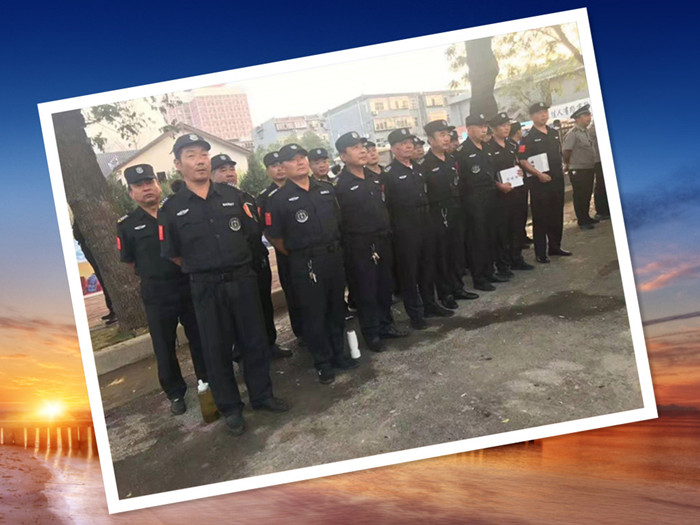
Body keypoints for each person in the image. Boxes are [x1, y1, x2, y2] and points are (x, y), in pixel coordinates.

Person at [159, 133, 288, 436]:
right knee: (216, 349)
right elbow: (174, 254)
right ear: (178, 164)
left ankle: (262, 395)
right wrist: (205, 266)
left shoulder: (233, 196)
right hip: (206, 286)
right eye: (191, 155)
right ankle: (230, 407)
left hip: (242, 280)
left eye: (203, 154)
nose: (200, 161)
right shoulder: (172, 208)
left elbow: (250, 234)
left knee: (253, 341)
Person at [116, 164, 209, 416]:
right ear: (131, 193)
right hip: (156, 292)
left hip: (187, 284)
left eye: (150, 182)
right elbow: (130, 261)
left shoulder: (176, 212)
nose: (146, 188)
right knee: (163, 345)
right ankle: (175, 392)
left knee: (199, 336)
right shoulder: (127, 225)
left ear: (158, 185)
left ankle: (206, 379)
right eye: (139, 185)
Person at [264, 143, 356, 385]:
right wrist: (300, 253)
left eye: (302, 157)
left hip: (332, 257)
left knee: (336, 308)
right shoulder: (278, 199)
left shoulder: (326, 190)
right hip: (305, 262)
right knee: (314, 314)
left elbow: (338, 221)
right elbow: (274, 236)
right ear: (283, 166)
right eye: (293, 159)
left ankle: (339, 354)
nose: (300, 162)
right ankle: (322, 363)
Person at [211, 153, 292, 359]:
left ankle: (269, 343)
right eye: (222, 170)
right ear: (211, 176)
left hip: (257, 260)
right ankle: (243, 351)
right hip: (236, 266)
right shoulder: (211, 202)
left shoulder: (245, 197)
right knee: (241, 312)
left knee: (264, 304)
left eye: (231, 169)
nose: (229, 174)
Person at [333, 131, 408, 352]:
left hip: (382, 238)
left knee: (385, 285)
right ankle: (372, 333)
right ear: (343, 156)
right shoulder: (340, 186)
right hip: (359, 244)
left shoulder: (375, 176)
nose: (362, 151)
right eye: (355, 148)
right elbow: (338, 221)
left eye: (363, 146)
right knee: (366, 290)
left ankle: (386, 325)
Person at [382, 128, 453, 330]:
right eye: (403, 144)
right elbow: (387, 205)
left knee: (427, 266)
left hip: (425, 221)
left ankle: (430, 304)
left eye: (410, 143)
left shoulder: (419, 168)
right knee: (409, 272)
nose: (408, 147)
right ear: (394, 148)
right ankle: (415, 313)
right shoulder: (389, 174)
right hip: (405, 226)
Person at [421, 119, 479, 308]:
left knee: (456, 251)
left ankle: (458, 287)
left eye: (447, 134)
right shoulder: (424, 165)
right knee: (442, 254)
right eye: (441, 135)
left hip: (455, 210)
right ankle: (445, 293)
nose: (446, 139)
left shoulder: (452, 159)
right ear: (430, 140)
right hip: (437, 214)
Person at [453, 114, 506, 291]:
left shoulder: (486, 148)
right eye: (480, 127)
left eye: (485, 126)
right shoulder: (461, 152)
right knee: (477, 239)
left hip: (490, 197)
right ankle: (479, 277)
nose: (484, 130)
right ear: (469, 129)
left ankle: (489, 271)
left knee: (490, 236)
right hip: (473, 201)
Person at [257, 151, 305, 344]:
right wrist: (287, 250)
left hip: (306, 249)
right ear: (268, 171)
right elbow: (267, 230)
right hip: (286, 254)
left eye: (281, 163)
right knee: (293, 292)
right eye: (274, 165)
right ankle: (301, 331)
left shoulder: (302, 187)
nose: (279, 168)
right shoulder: (265, 197)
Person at [519, 102, 572, 263]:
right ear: (532, 116)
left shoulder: (554, 133)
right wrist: (538, 174)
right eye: (539, 113)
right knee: (541, 217)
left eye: (545, 112)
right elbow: (522, 160)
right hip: (539, 183)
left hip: (556, 179)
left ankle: (555, 246)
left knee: (557, 214)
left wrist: (563, 165)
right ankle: (540, 252)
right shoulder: (527, 138)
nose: (543, 115)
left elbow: (557, 153)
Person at [488, 113, 534, 272]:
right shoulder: (488, 148)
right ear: (494, 128)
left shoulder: (512, 145)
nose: (506, 128)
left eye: (508, 125)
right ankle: (503, 262)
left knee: (517, 225)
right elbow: (487, 174)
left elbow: (517, 162)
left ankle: (517, 258)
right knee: (502, 229)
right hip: (500, 194)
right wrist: (498, 185)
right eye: (502, 125)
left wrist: (520, 171)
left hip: (516, 190)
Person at [562, 104, 598, 230]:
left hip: (588, 167)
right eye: (585, 115)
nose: (589, 117)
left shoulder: (585, 131)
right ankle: (582, 220)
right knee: (580, 195)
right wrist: (567, 164)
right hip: (578, 169)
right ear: (577, 118)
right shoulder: (573, 133)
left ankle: (586, 216)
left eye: (589, 115)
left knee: (587, 193)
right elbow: (566, 151)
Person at [508, 121, 533, 248]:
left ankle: (522, 235)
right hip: (515, 182)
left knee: (523, 211)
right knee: (517, 212)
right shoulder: (511, 145)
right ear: (517, 131)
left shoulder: (518, 144)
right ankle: (519, 238)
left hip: (522, 180)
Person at [588, 121, 610, 220]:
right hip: (598, 160)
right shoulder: (593, 129)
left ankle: (605, 209)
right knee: (601, 185)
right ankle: (602, 211)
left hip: (601, 159)